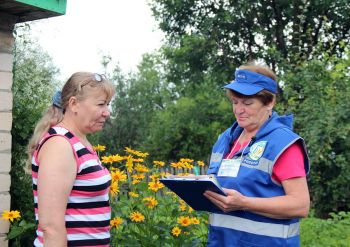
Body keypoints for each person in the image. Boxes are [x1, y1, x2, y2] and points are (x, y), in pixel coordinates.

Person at [203, 62, 310, 246]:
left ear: (269, 102)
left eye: (247, 103)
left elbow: (300, 205)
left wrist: (245, 203)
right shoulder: (224, 140)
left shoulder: (283, 144)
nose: (238, 110)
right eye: (235, 102)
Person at [28, 72, 115, 246]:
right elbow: (51, 226)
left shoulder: (79, 141)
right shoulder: (60, 145)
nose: (107, 112)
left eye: (108, 104)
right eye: (101, 104)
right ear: (74, 104)